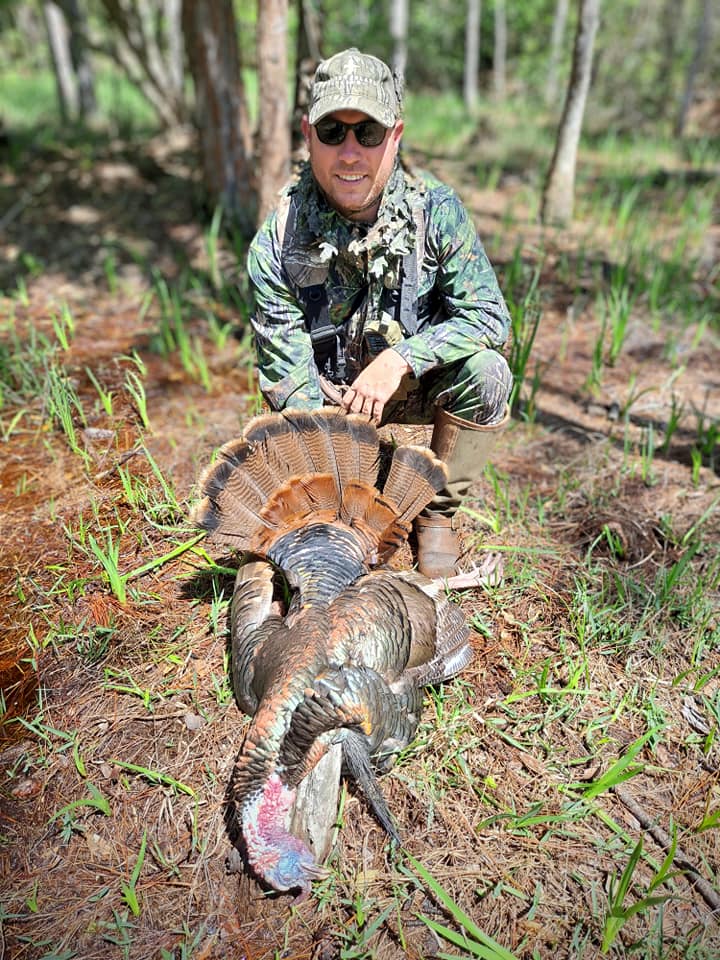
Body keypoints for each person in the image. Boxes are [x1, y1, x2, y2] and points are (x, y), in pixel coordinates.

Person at [247, 48, 513, 578]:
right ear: (307, 135)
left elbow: (490, 317)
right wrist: (328, 501)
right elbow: (289, 377)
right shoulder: (276, 239)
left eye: (367, 132)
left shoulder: (436, 211)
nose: (350, 153)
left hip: (415, 388)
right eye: (332, 132)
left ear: (395, 136)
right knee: (321, 540)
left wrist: (400, 360)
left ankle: (436, 515)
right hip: (328, 399)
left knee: (489, 374)